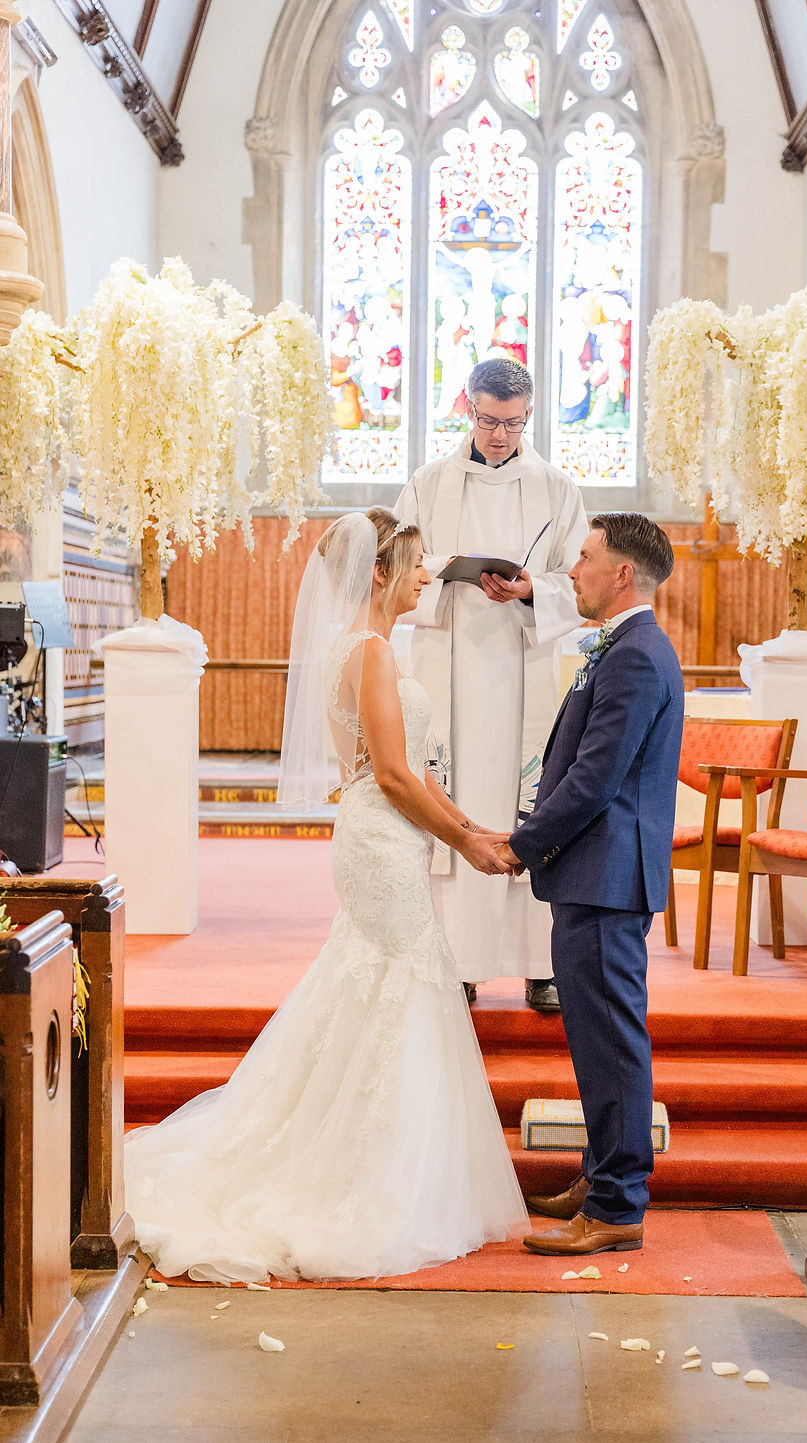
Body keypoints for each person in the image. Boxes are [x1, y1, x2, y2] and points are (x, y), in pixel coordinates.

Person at [124, 509, 528, 1283]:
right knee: (398, 982)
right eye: (413, 564)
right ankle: (366, 1175)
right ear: (378, 571)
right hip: (381, 840)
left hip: (385, 836)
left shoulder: (364, 646)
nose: (423, 576)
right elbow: (394, 774)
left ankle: (375, 1153)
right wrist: (469, 839)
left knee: (375, 985)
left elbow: (405, 772)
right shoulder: (371, 651)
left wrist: (466, 824)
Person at [496, 514, 683, 1257]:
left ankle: (616, 1205)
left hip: (606, 875)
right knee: (597, 1040)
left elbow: (595, 780)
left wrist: (520, 843)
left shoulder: (635, 654)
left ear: (623, 575)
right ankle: (600, 1175)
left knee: (612, 1043)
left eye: (585, 558)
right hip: (593, 871)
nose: (572, 571)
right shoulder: (624, 644)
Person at [395, 358, 588, 1012]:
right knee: (457, 807)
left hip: (523, 670)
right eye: (487, 419)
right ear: (466, 407)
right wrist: (445, 570)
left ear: (529, 413)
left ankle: (538, 965)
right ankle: (458, 962)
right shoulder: (429, 484)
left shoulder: (556, 488)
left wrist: (535, 589)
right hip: (448, 661)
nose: (499, 434)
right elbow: (396, 564)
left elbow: (583, 577)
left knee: (528, 809)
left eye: (511, 421)